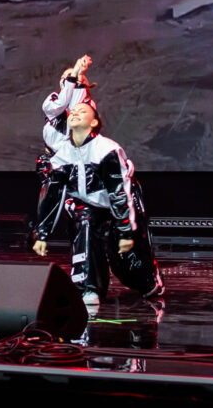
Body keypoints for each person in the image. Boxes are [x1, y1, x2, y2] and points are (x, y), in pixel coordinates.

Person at [32, 90, 164, 311]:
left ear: (93, 122)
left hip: (120, 203)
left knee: (128, 261)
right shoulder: (62, 155)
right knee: (84, 224)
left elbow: (119, 193)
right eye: (73, 111)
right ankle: (89, 287)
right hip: (88, 204)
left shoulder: (107, 150)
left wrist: (124, 230)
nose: (75, 113)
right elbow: (52, 196)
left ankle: (149, 280)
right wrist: (42, 234)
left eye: (82, 111)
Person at [32, 56, 96, 248]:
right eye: (66, 78)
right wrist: (74, 75)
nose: (71, 80)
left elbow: (75, 106)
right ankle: (41, 234)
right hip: (55, 160)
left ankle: (81, 242)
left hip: (77, 162)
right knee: (50, 199)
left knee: (76, 207)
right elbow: (60, 105)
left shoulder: (87, 108)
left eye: (76, 78)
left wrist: (77, 76)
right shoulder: (52, 100)